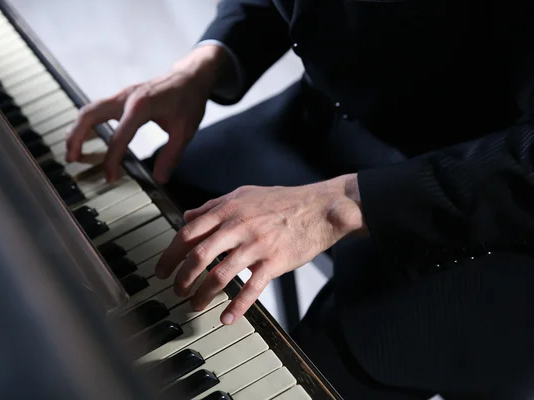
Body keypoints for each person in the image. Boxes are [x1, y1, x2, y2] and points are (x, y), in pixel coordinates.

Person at [66, 0, 534, 398]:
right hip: (335, 116)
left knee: (289, 378)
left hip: (493, 206)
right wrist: (204, 65)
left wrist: (339, 204)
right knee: (131, 229)